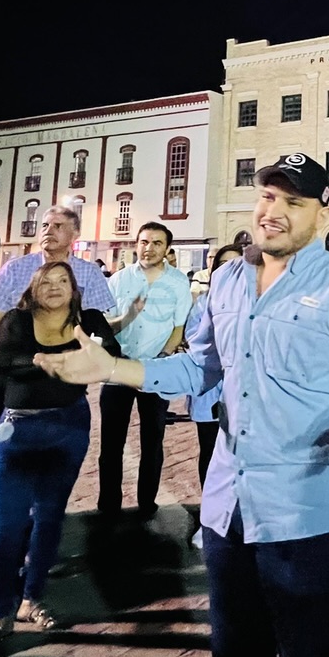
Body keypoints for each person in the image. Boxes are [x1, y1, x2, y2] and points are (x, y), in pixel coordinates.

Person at [32, 153, 329, 657]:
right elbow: (203, 366)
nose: (274, 212)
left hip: (304, 515)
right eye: (268, 196)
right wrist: (113, 366)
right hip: (227, 509)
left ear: (322, 212)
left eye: (293, 202)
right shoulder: (227, 279)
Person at [0, 262, 121, 657]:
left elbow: (111, 355)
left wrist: (69, 358)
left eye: (62, 281)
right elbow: (0, 360)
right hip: (19, 431)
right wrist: (50, 362)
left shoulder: (89, 319)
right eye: (45, 281)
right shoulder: (17, 319)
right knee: (6, 528)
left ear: (74, 289)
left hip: (69, 428)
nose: (53, 287)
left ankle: (32, 598)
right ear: (33, 288)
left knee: (50, 517)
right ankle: (0, 615)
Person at [97, 222, 192, 522]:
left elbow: (178, 329)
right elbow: (105, 325)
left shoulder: (178, 283)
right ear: (135, 244)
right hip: (118, 367)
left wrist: (159, 365)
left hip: (155, 368)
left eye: (157, 243)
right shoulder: (118, 280)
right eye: (144, 241)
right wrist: (127, 317)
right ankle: (108, 502)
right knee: (111, 441)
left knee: (153, 439)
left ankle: (146, 501)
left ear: (167, 249)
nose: (148, 248)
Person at [0, 205, 116, 370]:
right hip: (18, 370)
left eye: (58, 226)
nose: (49, 230)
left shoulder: (90, 273)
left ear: (75, 234)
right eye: (45, 225)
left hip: (66, 371)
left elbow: (96, 325)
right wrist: (6, 359)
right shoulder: (15, 268)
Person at [181, 243, 244, 549]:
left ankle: (237, 515)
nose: (230, 272)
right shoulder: (203, 303)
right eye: (223, 266)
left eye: (237, 265)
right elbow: (198, 346)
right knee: (210, 455)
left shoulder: (252, 305)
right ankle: (210, 517)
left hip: (238, 397)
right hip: (209, 394)